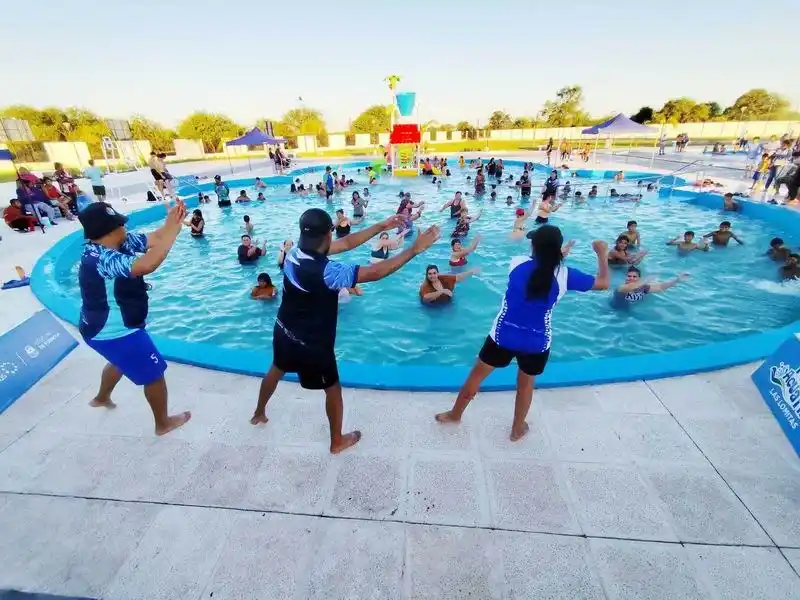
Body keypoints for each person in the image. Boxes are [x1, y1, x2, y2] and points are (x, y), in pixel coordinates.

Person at [248, 209, 440, 454]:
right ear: (328, 234)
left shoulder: (294, 253)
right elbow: (376, 272)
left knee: (276, 369)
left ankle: (259, 413)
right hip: (313, 344)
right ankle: (336, 441)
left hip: (284, 330)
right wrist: (414, 249)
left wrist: (383, 225)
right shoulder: (328, 272)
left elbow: (347, 242)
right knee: (333, 389)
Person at [435, 227, 609, 440]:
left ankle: (455, 415)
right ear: (556, 250)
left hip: (502, 336)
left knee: (476, 377)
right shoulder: (565, 276)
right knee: (525, 387)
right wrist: (601, 254)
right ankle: (517, 429)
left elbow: (542, 266)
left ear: (534, 247)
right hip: (536, 342)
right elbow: (604, 283)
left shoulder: (517, 263)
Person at [77, 200, 191, 435]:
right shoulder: (99, 259)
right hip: (114, 331)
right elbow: (147, 264)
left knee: (120, 362)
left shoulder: (121, 241)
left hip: (98, 327)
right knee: (154, 374)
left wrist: (172, 222)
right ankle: (163, 424)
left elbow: (157, 239)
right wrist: (173, 234)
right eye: (120, 224)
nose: (125, 228)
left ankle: (101, 398)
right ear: (108, 231)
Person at [612, 266, 689, 308]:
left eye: (634, 276)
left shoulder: (643, 287)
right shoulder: (621, 287)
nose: (631, 278)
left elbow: (661, 287)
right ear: (625, 277)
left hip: (630, 311)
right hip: (616, 311)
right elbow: (632, 287)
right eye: (629, 276)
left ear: (639, 278)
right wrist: (647, 279)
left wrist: (677, 280)